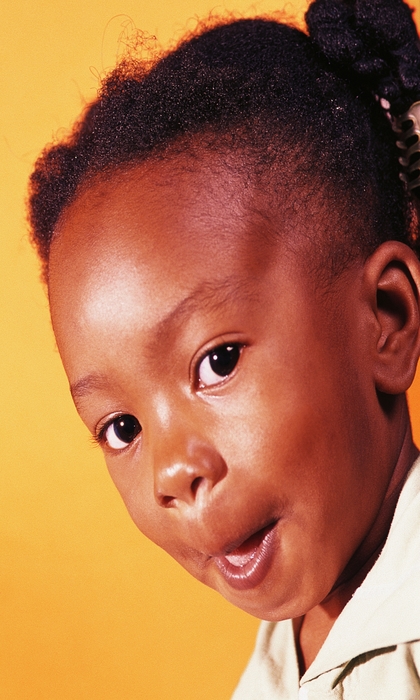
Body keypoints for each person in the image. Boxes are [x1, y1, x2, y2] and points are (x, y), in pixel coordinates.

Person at [28, 0, 420, 696]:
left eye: (218, 362)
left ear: (386, 320)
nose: (173, 474)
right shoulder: (277, 668)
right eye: (122, 428)